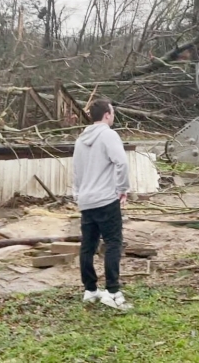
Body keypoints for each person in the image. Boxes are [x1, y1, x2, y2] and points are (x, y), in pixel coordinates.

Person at [72, 98, 131, 310]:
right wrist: (122, 189)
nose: (113, 116)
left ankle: (90, 289)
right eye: (112, 112)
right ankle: (113, 291)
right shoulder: (108, 134)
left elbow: (76, 171)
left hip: (86, 200)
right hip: (106, 199)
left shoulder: (80, 140)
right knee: (113, 243)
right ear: (107, 114)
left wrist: (78, 194)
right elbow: (121, 162)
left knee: (88, 246)